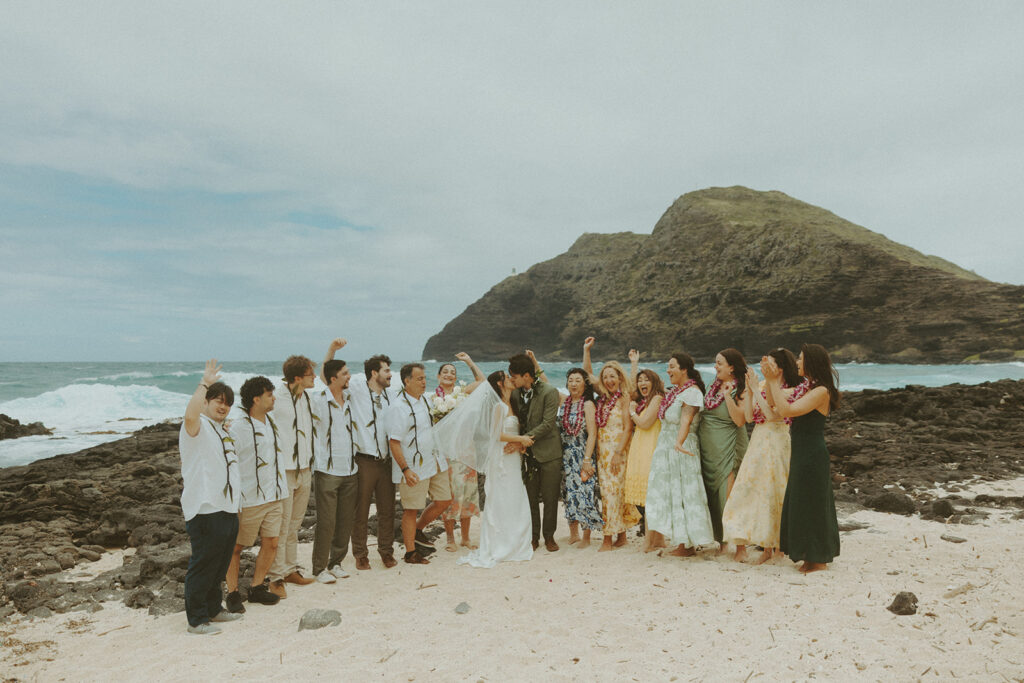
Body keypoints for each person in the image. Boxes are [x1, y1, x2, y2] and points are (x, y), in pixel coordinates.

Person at [433, 370, 535, 567]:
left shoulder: (511, 403)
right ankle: (501, 542)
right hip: (501, 458)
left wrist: (520, 444)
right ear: (500, 383)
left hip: (514, 458)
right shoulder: (498, 406)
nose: (511, 379)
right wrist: (520, 439)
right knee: (501, 496)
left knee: (514, 495)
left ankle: (515, 541)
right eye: (507, 377)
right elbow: (496, 435)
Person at [178, 359, 242, 635]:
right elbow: (189, 415)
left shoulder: (220, 429)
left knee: (220, 564)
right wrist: (204, 382)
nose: (223, 405)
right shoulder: (196, 426)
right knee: (203, 564)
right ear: (205, 401)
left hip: (227, 506)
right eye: (217, 399)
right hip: (205, 508)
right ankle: (196, 619)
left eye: (227, 402)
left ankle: (214, 609)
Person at [765, 343, 841, 573]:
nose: (796, 362)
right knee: (801, 500)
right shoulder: (806, 388)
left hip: (811, 453)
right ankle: (810, 555)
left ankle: (818, 558)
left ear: (811, 362)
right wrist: (771, 379)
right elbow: (773, 404)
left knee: (812, 503)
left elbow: (788, 411)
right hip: (800, 450)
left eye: (800, 359)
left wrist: (772, 381)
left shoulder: (821, 391)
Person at [722, 348, 802, 564]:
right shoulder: (764, 386)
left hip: (777, 442)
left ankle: (776, 547)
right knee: (752, 489)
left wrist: (757, 390)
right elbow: (749, 417)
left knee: (775, 491)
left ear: (781, 367)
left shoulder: (790, 390)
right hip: (758, 441)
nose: (766, 367)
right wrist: (750, 390)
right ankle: (764, 545)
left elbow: (773, 414)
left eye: (771, 364)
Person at [225, 376, 286, 612]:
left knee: (271, 543)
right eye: (269, 394)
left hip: (274, 494)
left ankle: (257, 587)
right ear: (256, 399)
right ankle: (231, 592)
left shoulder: (270, 422)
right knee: (237, 547)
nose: (274, 398)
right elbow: (230, 461)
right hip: (249, 497)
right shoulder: (239, 426)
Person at [645, 353, 715, 557]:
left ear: (684, 369)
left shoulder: (692, 393)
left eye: (672, 366)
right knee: (670, 493)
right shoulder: (676, 392)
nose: (668, 370)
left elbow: (686, 420)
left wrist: (678, 442)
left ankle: (687, 546)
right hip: (667, 447)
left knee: (683, 493)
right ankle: (681, 542)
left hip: (682, 448)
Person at [335, 345, 398, 571]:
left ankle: (386, 552)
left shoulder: (391, 396)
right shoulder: (357, 390)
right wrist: (333, 350)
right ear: (374, 373)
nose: (390, 374)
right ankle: (360, 554)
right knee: (360, 511)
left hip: (387, 462)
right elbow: (329, 379)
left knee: (387, 510)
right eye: (386, 370)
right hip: (364, 461)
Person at [384, 363, 452, 564]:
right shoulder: (398, 407)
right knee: (411, 509)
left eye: (424, 378)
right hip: (413, 466)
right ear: (407, 381)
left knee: (444, 500)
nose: (424, 382)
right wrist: (405, 469)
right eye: (420, 378)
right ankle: (410, 553)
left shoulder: (426, 401)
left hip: (434, 460)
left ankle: (419, 529)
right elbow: (394, 442)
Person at [267, 355, 318, 598]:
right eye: (310, 374)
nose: (315, 378)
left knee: (295, 524)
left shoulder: (305, 397)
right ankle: (275, 577)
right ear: (297, 377)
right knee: (282, 524)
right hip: (284, 470)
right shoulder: (276, 399)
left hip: (304, 468)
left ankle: (290, 569)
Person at [583, 337, 641, 551]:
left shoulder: (624, 398)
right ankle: (622, 535)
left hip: (618, 451)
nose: (608, 380)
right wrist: (586, 351)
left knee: (611, 492)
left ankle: (608, 538)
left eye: (612, 376)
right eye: (605, 377)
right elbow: (587, 375)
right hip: (602, 452)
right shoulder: (603, 399)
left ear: (619, 377)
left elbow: (628, 428)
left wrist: (618, 453)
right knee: (613, 492)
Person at [310, 351, 359, 583]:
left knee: (344, 521)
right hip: (327, 470)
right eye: (345, 373)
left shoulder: (350, 398)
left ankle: (336, 563)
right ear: (332, 378)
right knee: (326, 522)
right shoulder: (319, 400)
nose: (349, 376)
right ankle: (319, 568)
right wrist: (330, 350)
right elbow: (322, 374)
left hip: (350, 469)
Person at [509, 351, 562, 552]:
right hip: (527, 456)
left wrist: (524, 440)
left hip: (550, 453)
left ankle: (549, 537)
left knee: (550, 498)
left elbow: (548, 423)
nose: (512, 380)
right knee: (530, 498)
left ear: (527, 376)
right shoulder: (514, 394)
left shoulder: (550, 391)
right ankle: (533, 537)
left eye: (514, 376)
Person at [697, 348, 751, 547]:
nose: (715, 366)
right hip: (709, 450)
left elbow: (739, 420)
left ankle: (740, 547)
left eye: (719, 363)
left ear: (732, 367)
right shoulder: (713, 385)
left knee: (730, 498)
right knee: (714, 499)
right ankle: (722, 542)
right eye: (715, 362)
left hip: (728, 449)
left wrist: (728, 396)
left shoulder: (742, 388)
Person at [437, 353, 486, 552]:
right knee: (449, 497)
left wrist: (469, 362)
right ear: (439, 376)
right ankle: (450, 538)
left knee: (468, 496)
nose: (449, 375)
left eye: (453, 372)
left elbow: (482, 382)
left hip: (466, 451)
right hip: (446, 452)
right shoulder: (433, 398)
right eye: (445, 372)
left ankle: (465, 538)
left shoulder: (462, 393)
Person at [624, 351, 665, 552]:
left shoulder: (657, 398)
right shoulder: (644, 401)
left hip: (651, 447)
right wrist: (634, 364)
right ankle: (657, 540)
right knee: (649, 497)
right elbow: (632, 388)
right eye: (640, 380)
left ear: (654, 382)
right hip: (642, 447)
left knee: (652, 497)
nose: (642, 383)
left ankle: (650, 541)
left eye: (646, 379)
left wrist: (632, 412)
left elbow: (646, 423)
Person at [558, 367, 603, 548]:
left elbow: (592, 434)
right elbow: (544, 383)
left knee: (586, 493)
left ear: (585, 384)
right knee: (569, 495)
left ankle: (586, 537)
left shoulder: (588, 404)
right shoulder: (565, 401)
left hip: (582, 454)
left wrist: (586, 460)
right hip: (566, 455)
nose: (574, 384)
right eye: (570, 380)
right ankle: (573, 534)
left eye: (578, 380)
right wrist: (535, 362)